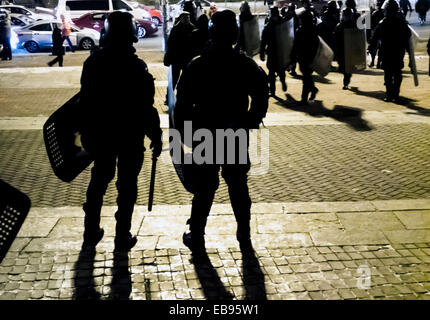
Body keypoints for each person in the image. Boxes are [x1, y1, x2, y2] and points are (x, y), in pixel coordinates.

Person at [174, 10, 269, 253]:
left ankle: (197, 234)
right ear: (235, 33)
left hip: (205, 132)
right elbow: (261, 93)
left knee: (204, 187)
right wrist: (251, 120)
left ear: (212, 33)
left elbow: (182, 104)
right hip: (235, 131)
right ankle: (244, 233)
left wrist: (185, 135)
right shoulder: (244, 64)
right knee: (237, 185)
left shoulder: (197, 65)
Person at [78, 11, 162, 250]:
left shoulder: (93, 63)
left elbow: (84, 101)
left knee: (99, 181)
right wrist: (155, 134)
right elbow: (146, 107)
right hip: (129, 135)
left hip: (101, 134)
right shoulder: (136, 67)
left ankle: (90, 230)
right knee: (127, 186)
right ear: (131, 36)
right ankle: (122, 234)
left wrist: (85, 132)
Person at [370, 0, 411, 102]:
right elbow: (408, 38)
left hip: (387, 52)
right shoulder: (401, 23)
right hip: (397, 52)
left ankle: (390, 94)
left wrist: (371, 47)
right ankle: (395, 94)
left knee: (388, 75)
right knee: (396, 74)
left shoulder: (383, 23)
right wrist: (409, 54)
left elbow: (375, 38)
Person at [290, 9, 320, 103]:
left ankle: (305, 98)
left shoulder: (300, 30)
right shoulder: (314, 29)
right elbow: (317, 43)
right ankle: (312, 89)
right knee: (307, 75)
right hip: (311, 56)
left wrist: (292, 55)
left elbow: (296, 45)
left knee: (306, 76)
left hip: (303, 56)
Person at [163, 12, 195, 90]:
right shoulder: (177, 28)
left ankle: (175, 96)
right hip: (178, 58)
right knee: (175, 78)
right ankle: (169, 97)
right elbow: (170, 43)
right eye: (185, 18)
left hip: (184, 58)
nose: (187, 19)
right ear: (181, 18)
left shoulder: (191, 28)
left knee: (183, 79)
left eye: (188, 18)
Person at [260, 7, 287, 96]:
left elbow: (263, 41)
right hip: (281, 50)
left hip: (272, 51)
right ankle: (282, 81)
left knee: (272, 71)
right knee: (280, 69)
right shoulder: (283, 23)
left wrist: (262, 52)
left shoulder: (268, 25)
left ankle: (273, 90)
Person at [334, 7, 356, 89]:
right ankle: (347, 77)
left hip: (349, 50)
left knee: (347, 68)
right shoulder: (339, 25)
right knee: (343, 67)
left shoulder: (353, 25)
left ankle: (346, 82)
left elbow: (357, 38)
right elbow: (335, 38)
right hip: (341, 50)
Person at [368, 0, 385, 68]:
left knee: (373, 48)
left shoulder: (374, 13)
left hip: (375, 32)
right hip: (382, 33)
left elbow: (371, 24)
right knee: (381, 49)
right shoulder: (384, 13)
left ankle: (372, 62)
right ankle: (378, 63)